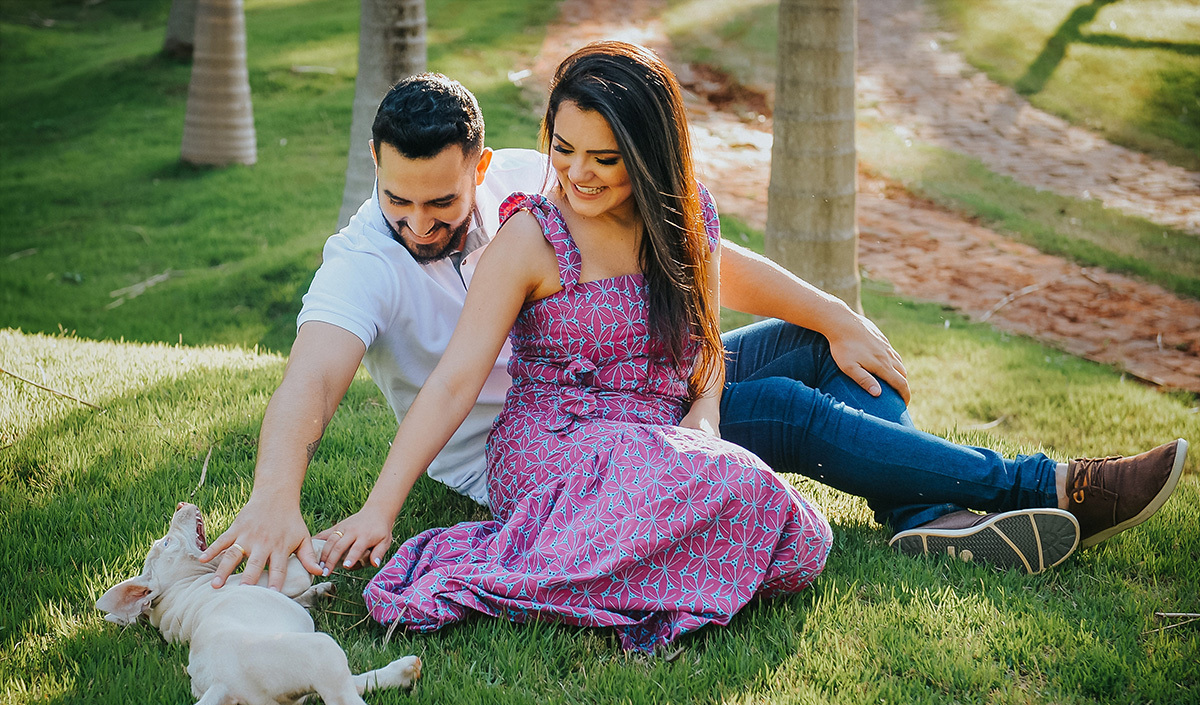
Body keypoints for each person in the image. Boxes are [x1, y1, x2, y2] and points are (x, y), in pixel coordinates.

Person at [200, 58, 1188, 589]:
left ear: (481, 165)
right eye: (395, 200)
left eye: (437, 202)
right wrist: (299, 497)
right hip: (547, 446)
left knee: (824, 352)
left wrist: (838, 311)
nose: (415, 223)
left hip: (644, 386)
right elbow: (324, 381)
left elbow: (696, 260)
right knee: (792, 416)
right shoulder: (376, 258)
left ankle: (923, 516)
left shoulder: (555, 173)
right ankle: (1046, 483)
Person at [323, 41, 832, 650]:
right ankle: (612, 567)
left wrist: (703, 415)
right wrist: (381, 508)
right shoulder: (529, 236)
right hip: (554, 446)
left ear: (646, 155)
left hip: (656, 435)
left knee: (800, 543)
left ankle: (937, 510)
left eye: (603, 158)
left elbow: (705, 337)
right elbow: (453, 382)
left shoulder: (687, 215)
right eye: (562, 150)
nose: (576, 172)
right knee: (747, 487)